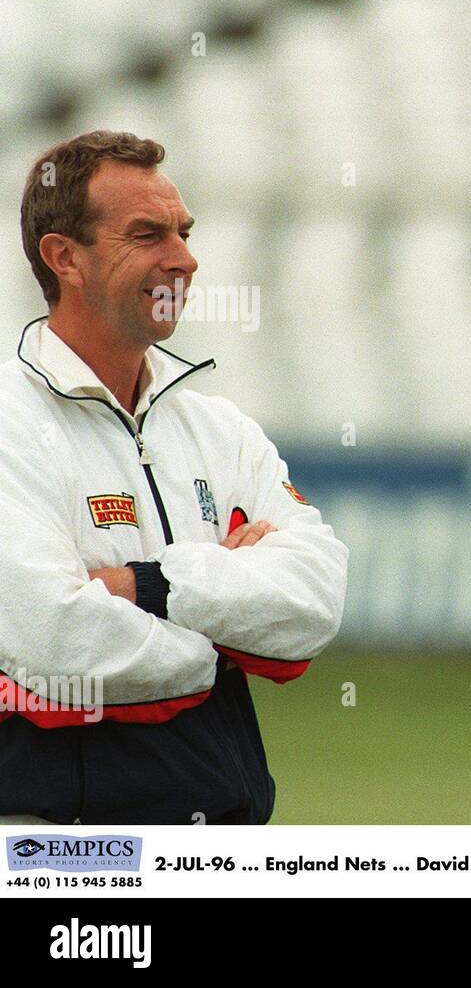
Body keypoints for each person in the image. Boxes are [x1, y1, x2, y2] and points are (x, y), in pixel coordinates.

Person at [0, 130, 349, 824]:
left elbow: (315, 600)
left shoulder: (216, 426)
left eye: (183, 232)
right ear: (64, 258)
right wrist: (227, 639)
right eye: (147, 234)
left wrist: (152, 587)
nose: (184, 258)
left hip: (227, 838)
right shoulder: (10, 422)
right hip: (70, 854)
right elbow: (57, 642)